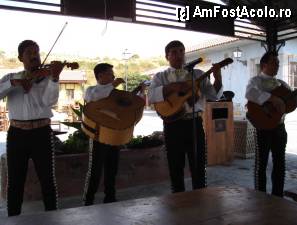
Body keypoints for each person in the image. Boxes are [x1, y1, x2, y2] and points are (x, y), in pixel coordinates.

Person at [148, 40, 223, 193]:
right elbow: (151, 97)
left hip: (194, 123)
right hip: (172, 125)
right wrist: (173, 87)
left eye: (181, 51)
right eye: (174, 52)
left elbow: (213, 95)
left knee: (198, 163)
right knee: (175, 164)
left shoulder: (197, 74)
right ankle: (177, 198)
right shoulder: (160, 77)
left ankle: (200, 196)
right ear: (167, 57)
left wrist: (218, 77)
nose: (179, 55)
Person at [0, 40, 64, 216]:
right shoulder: (10, 78)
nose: (35, 55)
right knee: (15, 181)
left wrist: (55, 78)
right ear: (20, 57)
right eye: (29, 52)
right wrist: (14, 83)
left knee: (47, 179)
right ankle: (13, 217)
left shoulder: (47, 79)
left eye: (37, 51)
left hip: (41, 133)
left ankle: (53, 215)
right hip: (17, 134)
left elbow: (50, 102)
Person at [83, 63, 146, 205]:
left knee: (112, 169)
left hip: (114, 135)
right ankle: (88, 200)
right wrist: (112, 87)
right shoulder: (91, 90)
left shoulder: (115, 92)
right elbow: (96, 98)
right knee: (95, 170)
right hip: (98, 136)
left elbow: (127, 107)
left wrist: (140, 92)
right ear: (100, 76)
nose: (113, 76)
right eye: (110, 73)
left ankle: (110, 198)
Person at [246, 51, 297, 197]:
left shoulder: (282, 84)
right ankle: (260, 196)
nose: (277, 65)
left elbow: (293, 103)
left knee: (280, 163)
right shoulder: (255, 81)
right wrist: (271, 98)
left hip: (279, 127)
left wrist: (286, 103)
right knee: (261, 164)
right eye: (274, 62)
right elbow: (250, 93)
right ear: (264, 65)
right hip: (263, 127)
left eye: (278, 63)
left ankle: (278, 196)